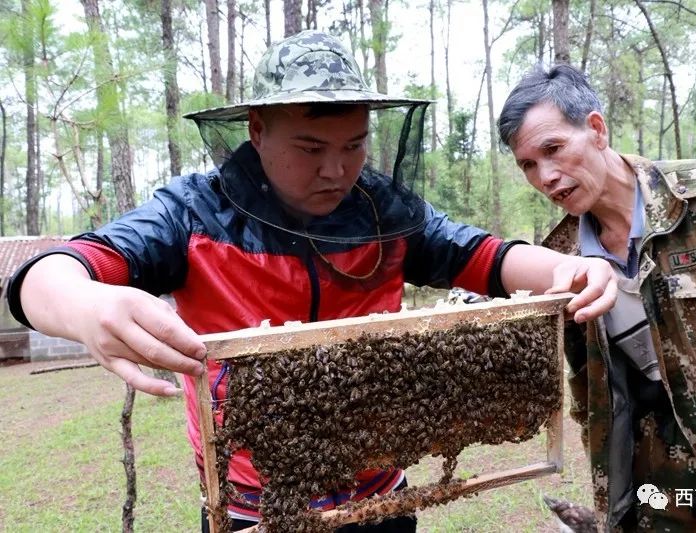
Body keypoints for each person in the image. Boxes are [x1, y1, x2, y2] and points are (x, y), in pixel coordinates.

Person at [7, 32, 617, 532]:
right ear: (256, 131)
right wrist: (81, 301)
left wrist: (568, 269)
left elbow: (482, 256)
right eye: (309, 146)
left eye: (354, 146)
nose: (336, 169)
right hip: (255, 511)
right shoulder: (190, 213)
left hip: (381, 496)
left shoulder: (385, 211)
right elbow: (51, 273)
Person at [497, 64, 696, 532]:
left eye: (553, 149)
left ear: (596, 129)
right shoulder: (557, 260)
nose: (545, 176)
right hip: (660, 478)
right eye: (528, 164)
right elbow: (590, 386)